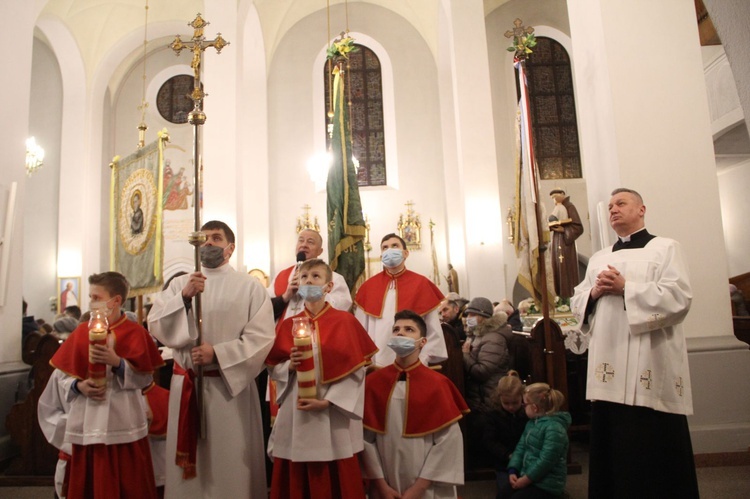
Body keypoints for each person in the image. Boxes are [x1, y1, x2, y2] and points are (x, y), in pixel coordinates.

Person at [570, 188, 698, 499]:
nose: (613, 209)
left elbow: (679, 298)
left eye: (621, 203)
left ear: (641, 209)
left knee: (651, 447)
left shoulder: (665, 248)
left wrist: (627, 288)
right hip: (609, 365)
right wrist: (595, 294)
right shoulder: (599, 257)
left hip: (649, 363)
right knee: (613, 449)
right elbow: (577, 301)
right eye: (610, 206)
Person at [148, 220, 276, 499]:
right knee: (189, 477)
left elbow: (262, 338)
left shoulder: (250, 287)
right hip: (188, 387)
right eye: (203, 238)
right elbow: (156, 324)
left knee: (229, 464)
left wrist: (218, 353)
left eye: (216, 238)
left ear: (230, 249)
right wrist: (183, 298)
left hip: (230, 390)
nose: (208, 244)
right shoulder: (180, 284)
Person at [265, 259, 377, 498]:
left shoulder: (345, 321)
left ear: (328, 286)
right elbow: (274, 367)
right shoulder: (288, 325)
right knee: (295, 467)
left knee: (334, 466)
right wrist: (290, 367)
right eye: (304, 277)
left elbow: (356, 370)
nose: (309, 282)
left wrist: (329, 402)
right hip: (297, 409)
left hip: (331, 412)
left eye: (316, 277)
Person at [49, 271, 164, 499]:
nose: (91, 303)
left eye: (97, 297)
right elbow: (61, 377)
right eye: (90, 297)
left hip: (122, 419)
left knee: (127, 483)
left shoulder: (136, 333)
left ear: (116, 301)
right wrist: (78, 386)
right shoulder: (82, 331)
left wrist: (118, 363)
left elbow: (145, 379)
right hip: (88, 420)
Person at [362, 310, 469, 498]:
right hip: (385, 484)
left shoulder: (438, 385)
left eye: (409, 329)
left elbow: (448, 442)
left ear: (423, 342)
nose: (400, 333)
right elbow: (365, 440)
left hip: (428, 487)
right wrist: (380, 485)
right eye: (396, 330)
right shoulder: (374, 383)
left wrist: (419, 488)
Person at [354, 233, 447, 368]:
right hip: (377, 364)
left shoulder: (421, 284)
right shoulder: (368, 287)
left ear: (405, 253)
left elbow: (433, 331)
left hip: (414, 362)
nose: (389, 250)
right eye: (385, 247)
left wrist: (422, 359)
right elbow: (360, 331)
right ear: (381, 256)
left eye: (394, 246)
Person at [498, 383, 570, 499]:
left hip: (547, 484)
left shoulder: (555, 428)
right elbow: (520, 449)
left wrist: (526, 480)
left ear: (534, 408)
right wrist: (513, 470)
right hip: (528, 477)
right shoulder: (531, 423)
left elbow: (546, 462)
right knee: (503, 494)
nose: (523, 407)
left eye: (525, 404)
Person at [271, 228, 352, 322]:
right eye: (301, 240)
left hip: (318, 332)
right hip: (285, 332)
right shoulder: (280, 277)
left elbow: (342, 307)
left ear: (320, 251)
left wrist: (314, 292)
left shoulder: (335, 278)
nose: (304, 245)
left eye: (310, 242)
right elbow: (264, 310)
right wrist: (285, 297)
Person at [480, 370, 528, 495]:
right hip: (504, 462)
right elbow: (489, 441)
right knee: (506, 490)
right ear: (499, 398)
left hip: (527, 459)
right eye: (506, 403)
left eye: (515, 403)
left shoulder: (527, 413)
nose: (511, 407)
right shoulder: (492, 415)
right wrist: (508, 455)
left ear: (522, 398)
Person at [462, 297, 511, 412]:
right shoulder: (476, 334)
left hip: (488, 397)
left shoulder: (494, 338)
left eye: (472, 315)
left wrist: (465, 355)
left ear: (483, 317)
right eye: (468, 314)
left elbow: (482, 371)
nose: (468, 318)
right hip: (478, 396)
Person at [548, 189, 584, 299]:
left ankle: (567, 297)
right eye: (552, 197)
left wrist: (564, 230)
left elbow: (578, 228)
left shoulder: (569, 207)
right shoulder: (559, 207)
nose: (554, 199)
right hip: (557, 240)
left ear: (563, 195)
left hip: (565, 244)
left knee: (564, 269)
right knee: (557, 268)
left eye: (556, 196)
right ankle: (559, 296)